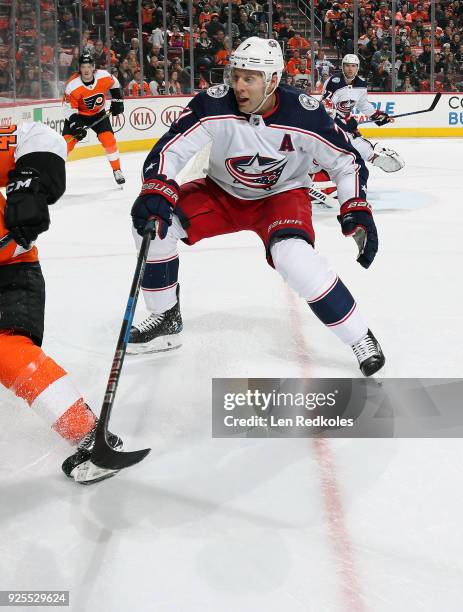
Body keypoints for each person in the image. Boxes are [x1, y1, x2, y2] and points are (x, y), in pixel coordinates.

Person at [128, 38, 385, 377]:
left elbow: (344, 162)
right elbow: (170, 150)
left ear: (274, 80)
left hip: (282, 196)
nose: (238, 86)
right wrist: (157, 188)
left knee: (294, 259)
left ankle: (359, 336)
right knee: (151, 223)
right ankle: (166, 316)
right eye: (235, 76)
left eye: (249, 78)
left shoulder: (304, 113)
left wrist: (355, 207)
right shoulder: (212, 104)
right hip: (220, 192)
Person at [0, 122, 122, 484]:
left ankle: (90, 435)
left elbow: (39, 136)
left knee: (6, 350)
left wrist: (30, 185)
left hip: (9, 269)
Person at [322, 54, 404, 173]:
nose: (350, 69)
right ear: (342, 67)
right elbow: (326, 107)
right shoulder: (334, 82)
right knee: (343, 140)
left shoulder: (361, 84)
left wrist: (376, 115)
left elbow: (362, 104)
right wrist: (340, 122)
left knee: (354, 139)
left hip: (345, 120)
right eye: (347, 66)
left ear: (358, 67)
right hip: (329, 121)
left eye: (353, 66)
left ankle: (371, 155)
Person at [62, 53, 126, 186]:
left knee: (108, 140)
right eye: (83, 66)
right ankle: (52, 174)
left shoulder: (103, 76)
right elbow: (68, 108)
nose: (86, 70)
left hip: (98, 114)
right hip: (78, 115)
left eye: (89, 66)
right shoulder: (72, 85)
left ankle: (117, 170)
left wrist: (117, 100)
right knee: (65, 145)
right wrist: (76, 125)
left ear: (94, 67)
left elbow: (115, 84)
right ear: (79, 68)